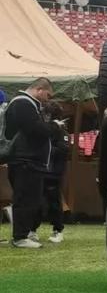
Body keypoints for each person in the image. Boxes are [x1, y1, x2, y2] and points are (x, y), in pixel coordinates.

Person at [4, 78, 56, 250]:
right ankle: (20, 237)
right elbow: (36, 130)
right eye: (47, 95)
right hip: (25, 160)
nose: (47, 99)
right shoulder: (22, 104)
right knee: (25, 199)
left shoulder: (27, 104)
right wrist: (53, 127)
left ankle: (24, 234)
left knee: (31, 199)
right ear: (39, 89)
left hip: (27, 160)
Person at [40, 103, 70, 244]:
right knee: (37, 201)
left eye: (47, 113)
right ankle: (32, 229)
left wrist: (45, 150)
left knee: (54, 202)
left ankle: (58, 230)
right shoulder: (44, 129)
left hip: (53, 171)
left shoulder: (61, 130)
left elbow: (63, 150)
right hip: (42, 169)